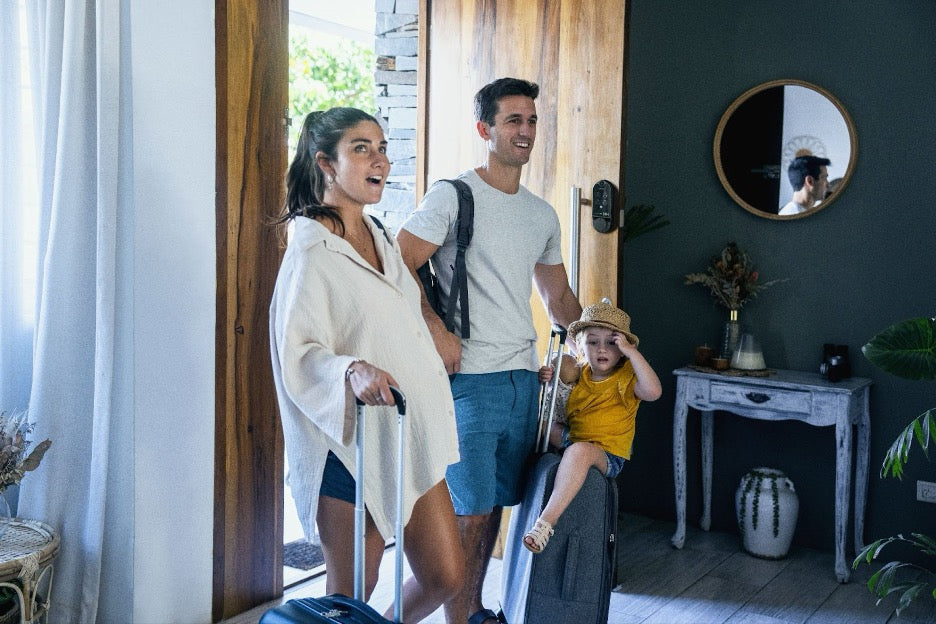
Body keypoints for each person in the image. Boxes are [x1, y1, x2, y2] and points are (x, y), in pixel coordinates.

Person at [396, 78, 582, 624]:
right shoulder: (453, 196)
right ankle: (427, 615)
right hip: (468, 381)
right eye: (512, 121)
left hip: (523, 381)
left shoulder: (541, 214)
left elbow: (559, 299)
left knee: (495, 506)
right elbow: (397, 263)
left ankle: (471, 612)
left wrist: (607, 342)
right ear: (486, 130)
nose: (525, 131)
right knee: (468, 511)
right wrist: (435, 329)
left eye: (531, 121)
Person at [269, 107, 465, 622]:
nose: (380, 159)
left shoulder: (380, 236)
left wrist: (436, 329)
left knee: (447, 576)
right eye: (361, 148)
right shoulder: (312, 251)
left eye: (381, 147)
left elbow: (402, 309)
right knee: (352, 592)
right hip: (349, 446)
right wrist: (351, 370)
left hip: (408, 436)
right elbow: (299, 351)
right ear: (325, 164)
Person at [523, 302, 662, 553]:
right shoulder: (581, 374)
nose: (601, 349)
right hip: (572, 439)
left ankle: (545, 523)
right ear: (581, 346)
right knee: (535, 421)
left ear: (622, 349)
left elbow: (653, 391)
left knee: (579, 452)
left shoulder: (627, 377)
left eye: (611, 343)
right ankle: (532, 485)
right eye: (592, 342)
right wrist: (547, 377)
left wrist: (633, 354)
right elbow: (559, 398)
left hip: (607, 453)